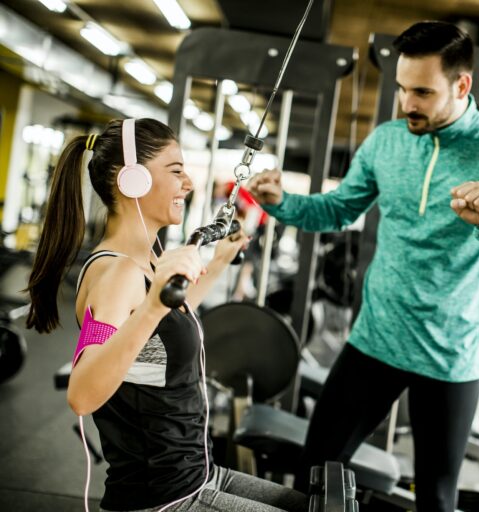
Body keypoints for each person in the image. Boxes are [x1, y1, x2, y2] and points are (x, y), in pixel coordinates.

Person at [248, 21, 479, 512]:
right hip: (377, 337)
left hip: (451, 352)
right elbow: (338, 209)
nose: (408, 103)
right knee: (314, 471)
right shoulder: (386, 141)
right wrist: (280, 202)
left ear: (462, 85)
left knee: (437, 498)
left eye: (423, 91)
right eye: (403, 88)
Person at [25, 118, 307, 512]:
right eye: (176, 171)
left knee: (309, 505)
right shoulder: (118, 272)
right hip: (163, 497)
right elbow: (82, 394)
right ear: (132, 181)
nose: (188, 184)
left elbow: (161, 326)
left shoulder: (144, 261)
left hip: (199, 472)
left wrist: (219, 262)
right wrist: (157, 301)